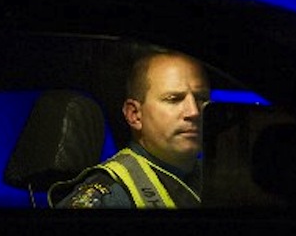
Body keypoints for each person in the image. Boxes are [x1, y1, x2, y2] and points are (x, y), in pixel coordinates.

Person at [48, 47, 211, 208]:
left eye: (201, 99)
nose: (194, 112)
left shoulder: (215, 178)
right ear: (135, 115)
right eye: (173, 99)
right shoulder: (110, 197)